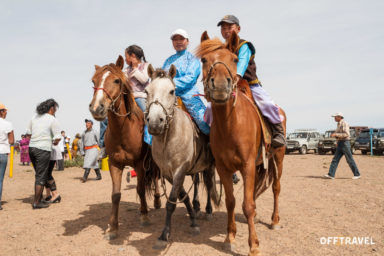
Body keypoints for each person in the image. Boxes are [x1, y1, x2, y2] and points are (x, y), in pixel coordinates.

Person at [205, 15, 286, 148]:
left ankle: (278, 132)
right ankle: (212, 135)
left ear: (238, 28)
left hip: (249, 85)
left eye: (229, 27)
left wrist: (237, 75)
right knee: (209, 108)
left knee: (267, 103)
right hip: (229, 87)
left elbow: (242, 61)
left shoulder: (244, 45)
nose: (226, 31)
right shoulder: (221, 49)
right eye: (223, 28)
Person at [162, 28, 210, 136]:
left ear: (187, 41)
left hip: (189, 94)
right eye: (175, 39)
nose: (178, 42)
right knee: (153, 119)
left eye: (181, 39)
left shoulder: (192, 59)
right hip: (169, 95)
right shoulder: (168, 60)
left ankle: (211, 145)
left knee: (203, 122)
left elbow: (191, 78)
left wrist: (170, 83)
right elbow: (161, 77)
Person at [26, 99, 61, 209]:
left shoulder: (34, 117)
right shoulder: (52, 119)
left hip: (32, 148)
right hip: (43, 149)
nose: (55, 111)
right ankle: (37, 202)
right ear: (52, 108)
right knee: (41, 176)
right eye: (55, 109)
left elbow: (28, 134)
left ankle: (40, 198)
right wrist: (52, 141)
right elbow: (57, 138)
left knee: (38, 174)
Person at [324, 112, 361, 180]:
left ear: (339, 117)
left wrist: (336, 135)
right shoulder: (338, 124)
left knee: (349, 159)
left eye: (335, 117)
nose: (334, 118)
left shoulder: (344, 124)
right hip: (340, 143)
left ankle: (357, 174)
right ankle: (331, 174)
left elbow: (346, 134)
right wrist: (337, 141)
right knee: (335, 159)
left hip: (345, 143)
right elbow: (340, 134)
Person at [0, 103, 14, 210]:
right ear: (2, 112)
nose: (6, 113)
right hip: (2, 152)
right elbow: (12, 140)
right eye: (5, 111)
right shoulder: (7, 124)